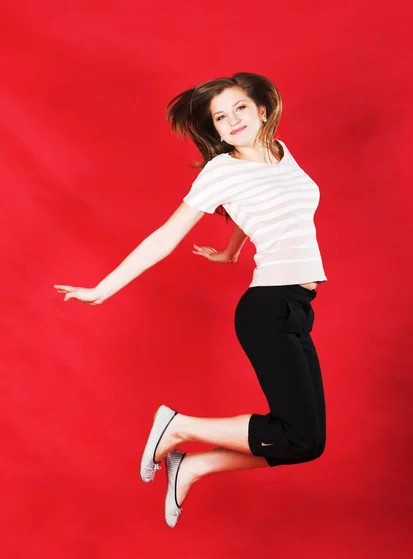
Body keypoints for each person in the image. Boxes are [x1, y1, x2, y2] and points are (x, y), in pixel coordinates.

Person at [55, 72, 328, 528]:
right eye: (221, 117)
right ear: (216, 132)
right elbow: (166, 236)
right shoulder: (221, 170)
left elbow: (264, 207)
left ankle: (193, 464)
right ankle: (179, 426)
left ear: (263, 109)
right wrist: (104, 288)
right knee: (299, 434)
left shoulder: (281, 154)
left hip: (298, 309)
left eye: (240, 108)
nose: (232, 120)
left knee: (305, 441)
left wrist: (232, 251)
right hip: (268, 310)